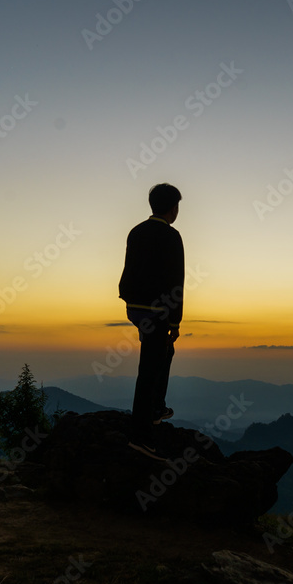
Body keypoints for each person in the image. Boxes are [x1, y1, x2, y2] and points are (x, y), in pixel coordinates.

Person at [118, 183, 184, 433]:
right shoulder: (171, 236)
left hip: (134, 307)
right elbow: (177, 282)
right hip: (157, 311)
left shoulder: (136, 232)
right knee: (150, 366)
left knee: (161, 355)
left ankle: (156, 407)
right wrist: (175, 323)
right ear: (173, 208)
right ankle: (142, 432)